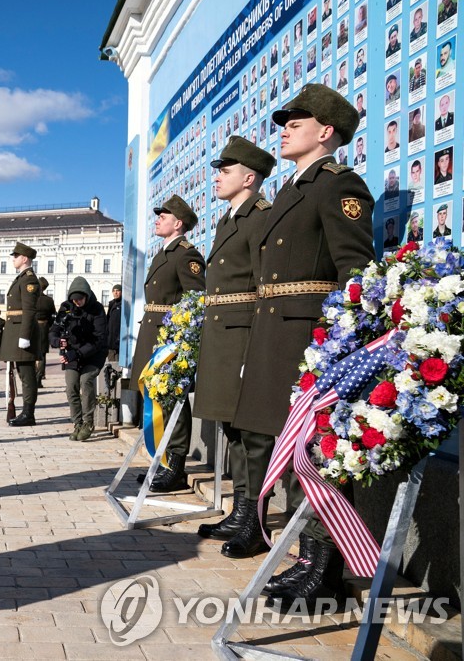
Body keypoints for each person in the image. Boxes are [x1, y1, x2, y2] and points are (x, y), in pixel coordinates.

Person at [230, 84, 375, 612]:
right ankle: (305, 560)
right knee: (287, 454)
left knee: (313, 455)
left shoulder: (338, 186)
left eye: (298, 120)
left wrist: (336, 348)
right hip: (275, 334)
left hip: (307, 339)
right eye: (286, 120)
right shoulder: (293, 190)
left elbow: (355, 272)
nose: (286, 127)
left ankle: (323, 569)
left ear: (326, 131)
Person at [191, 136, 275, 557]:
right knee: (233, 429)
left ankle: (255, 522)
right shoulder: (229, 219)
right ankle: (241, 511)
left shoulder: (261, 217)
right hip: (223, 336)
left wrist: (255, 350)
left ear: (249, 177)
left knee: (254, 435)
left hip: (244, 336)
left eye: (225, 172)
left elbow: (265, 288)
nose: (218, 179)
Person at [127, 195, 206, 492]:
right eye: (158, 215)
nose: (158, 219)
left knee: (172, 399)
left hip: (168, 340)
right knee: (157, 400)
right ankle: (161, 460)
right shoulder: (163, 254)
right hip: (153, 333)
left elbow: (196, 300)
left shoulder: (186, 255)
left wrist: (180, 341)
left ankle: (175, 465)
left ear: (179, 223)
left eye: (164, 215)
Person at [50, 277, 108, 442]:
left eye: (80, 299)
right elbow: (54, 330)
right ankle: (77, 422)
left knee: (86, 381)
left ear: (87, 296)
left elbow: (99, 339)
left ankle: (88, 423)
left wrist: (76, 353)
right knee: (71, 387)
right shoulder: (66, 307)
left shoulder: (96, 309)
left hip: (93, 354)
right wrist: (57, 341)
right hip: (72, 354)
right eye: (74, 300)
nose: (77, 303)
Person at [1, 242, 43, 427]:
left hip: (22, 333)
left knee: (27, 375)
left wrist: (25, 336)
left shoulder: (29, 280)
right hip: (15, 332)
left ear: (24, 258)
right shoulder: (21, 278)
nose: (13, 259)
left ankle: (28, 413)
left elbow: (29, 310)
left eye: (16, 256)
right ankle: (25, 412)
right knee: (21, 373)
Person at [34, 277, 56, 387]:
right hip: (44, 328)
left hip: (32, 327)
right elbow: (53, 315)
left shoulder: (32, 298)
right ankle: (39, 379)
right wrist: (49, 326)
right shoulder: (49, 300)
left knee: (32, 353)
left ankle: (32, 378)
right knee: (42, 354)